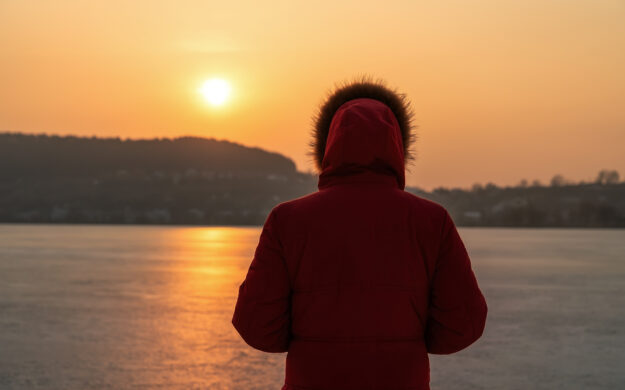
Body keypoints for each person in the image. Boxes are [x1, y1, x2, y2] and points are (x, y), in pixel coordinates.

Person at [232, 78, 488, 390]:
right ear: (398, 148)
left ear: (327, 147)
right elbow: (462, 326)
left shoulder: (288, 220)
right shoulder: (432, 221)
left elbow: (257, 326)